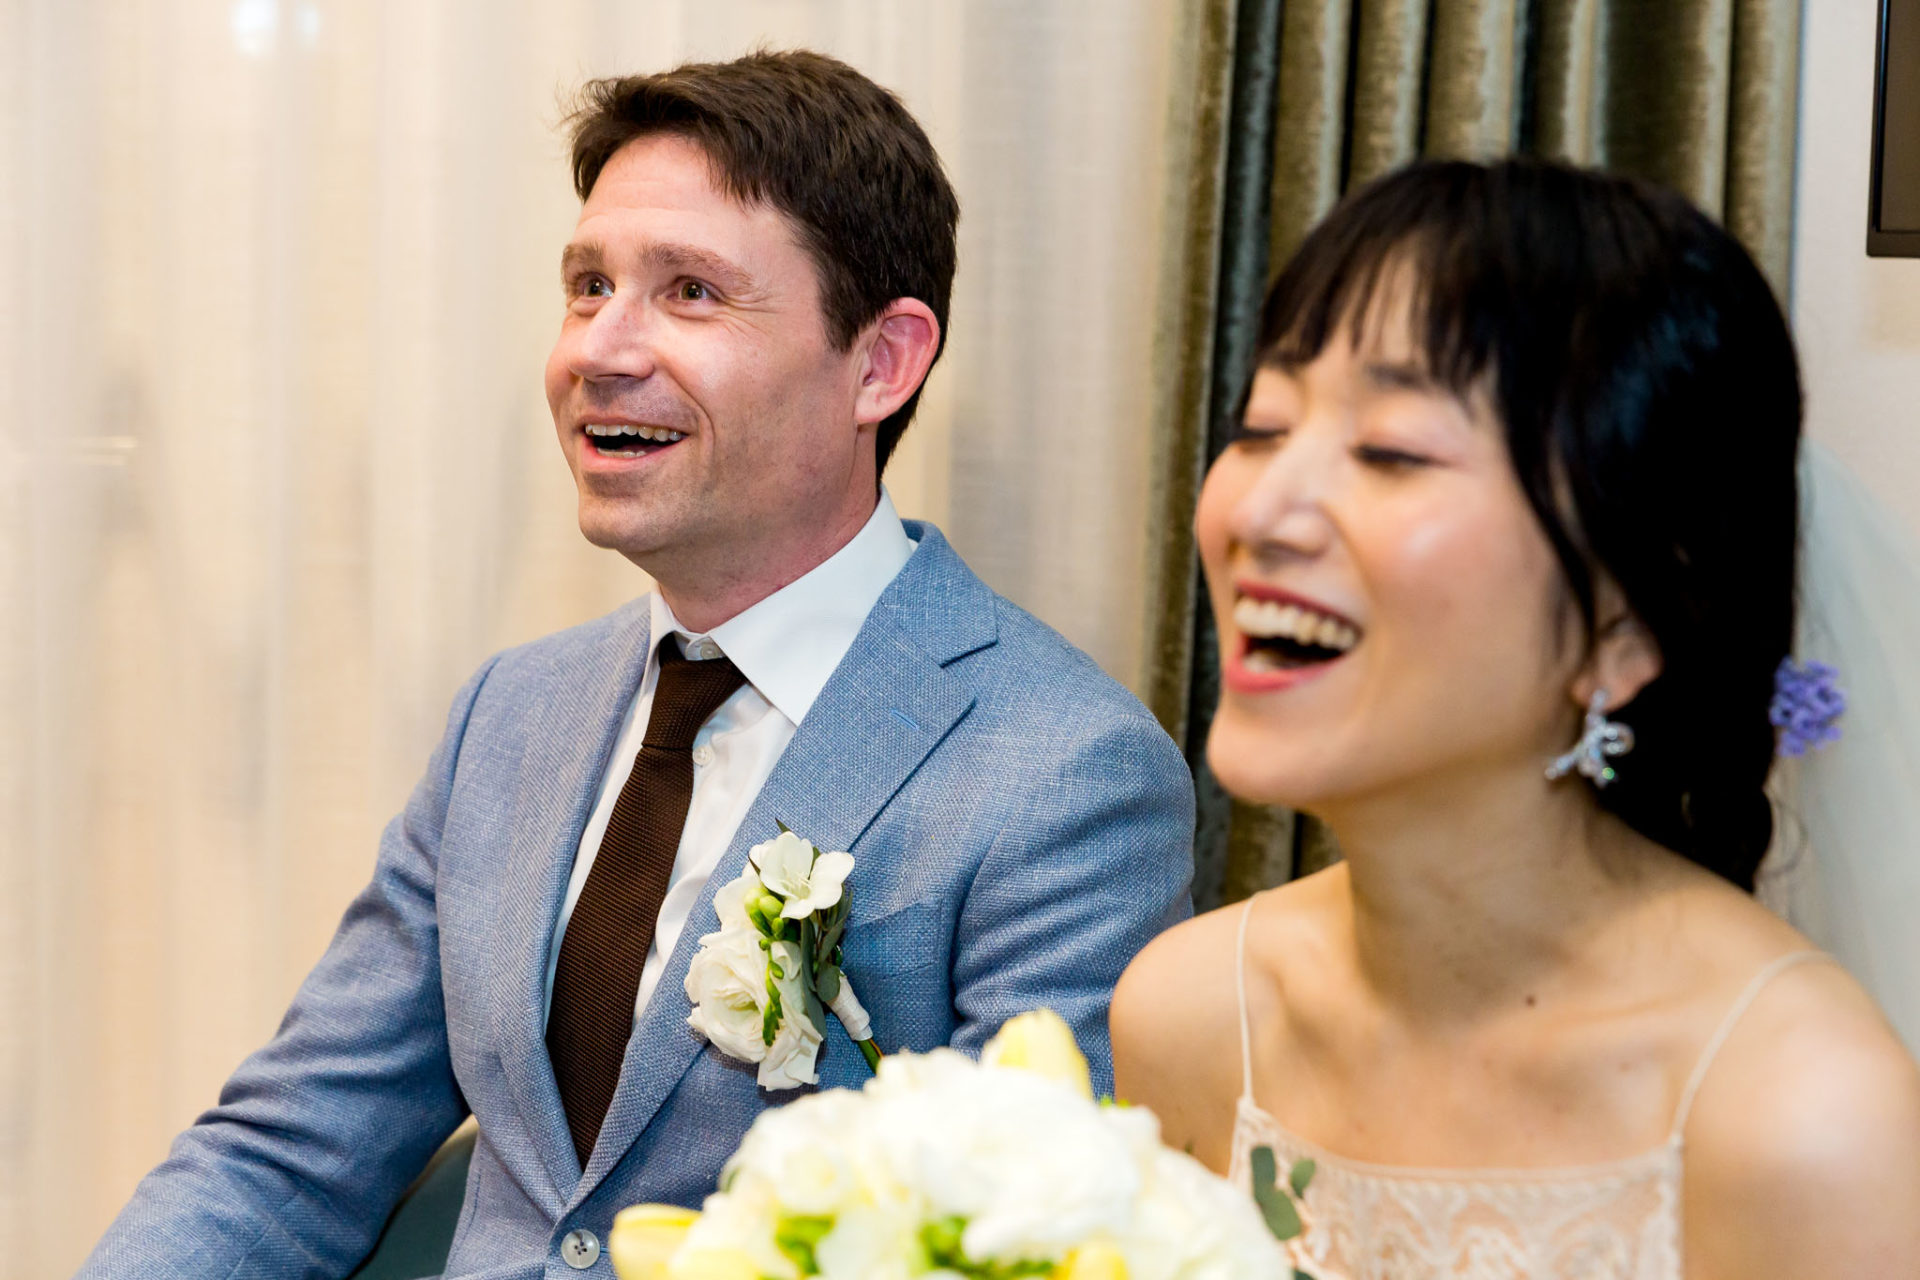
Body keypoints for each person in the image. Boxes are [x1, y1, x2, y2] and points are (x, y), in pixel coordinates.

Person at [80, 50, 1194, 1280]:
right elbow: (292, 1150)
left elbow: (1017, 1246)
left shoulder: (1066, 775)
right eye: (587, 285)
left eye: (692, 294)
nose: (599, 350)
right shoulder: (512, 714)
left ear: (880, 362)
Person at [1112, 159, 1920, 1279]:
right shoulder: (1190, 1012)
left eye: (1391, 449)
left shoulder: (1798, 1110)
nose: (1261, 509)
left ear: (1623, 626)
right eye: (1261, 425)